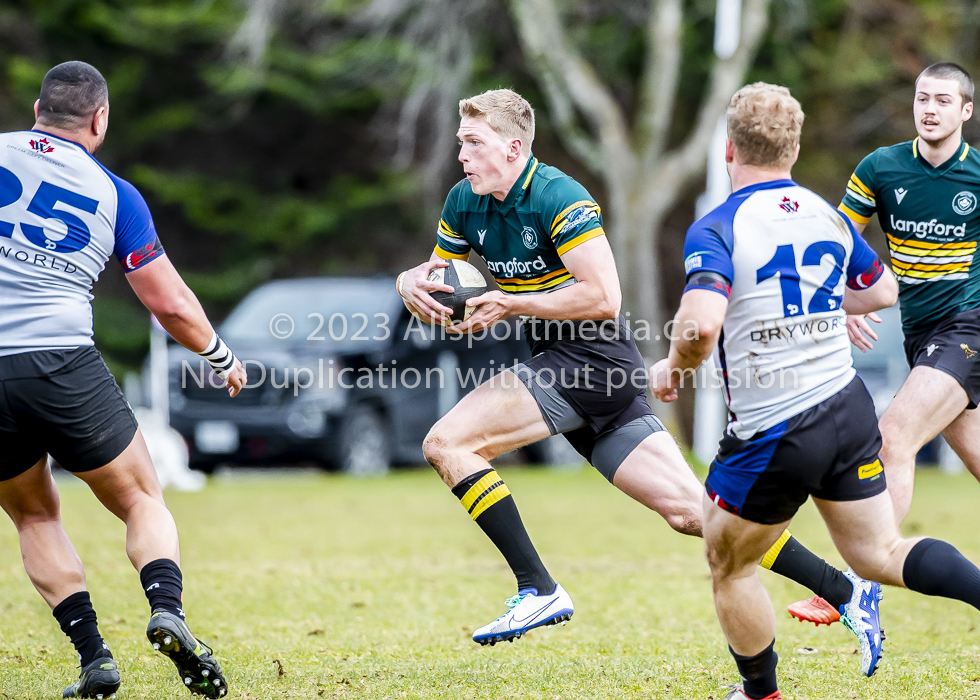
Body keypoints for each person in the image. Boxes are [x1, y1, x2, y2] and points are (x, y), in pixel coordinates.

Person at [396, 88, 876, 653]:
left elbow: (604, 297)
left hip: (589, 360)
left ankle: (537, 587)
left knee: (448, 443)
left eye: (474, 143)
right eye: (461, 143)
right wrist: (408, 283)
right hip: (576, 367)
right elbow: (441, 278)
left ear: (513, 146)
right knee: (695, 513)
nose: (462, 155)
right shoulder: (463, 201)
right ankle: (845, 591)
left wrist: (510, 302)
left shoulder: (558, 197)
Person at [651, 81, 980, 700]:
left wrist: (672, 368)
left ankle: (760, 693)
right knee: (880, 553)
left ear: (729, 149)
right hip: (848, 410)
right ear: (794, 149)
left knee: (730, 562)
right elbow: (882, 289)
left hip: (777, 428)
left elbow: (698, 324)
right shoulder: (825, 214)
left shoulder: (719, 225)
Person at [0, 61, 245, 698]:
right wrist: (220, 356)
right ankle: (168, 610)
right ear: (99, 120)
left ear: (36, 110)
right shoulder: (116, 194)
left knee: (33, 517)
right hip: (60, 362)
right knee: (141, 498)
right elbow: (167, 303)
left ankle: (93, 658)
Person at [788, 62, 980, 626]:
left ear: (965, 111)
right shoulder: (881, 167)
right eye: (923, 98)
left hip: (970, 327)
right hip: (922, 335)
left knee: (893, 436)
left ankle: (859, 583)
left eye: (944, 101)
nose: (930, 109)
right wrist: (841, 301)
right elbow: (840, 238)